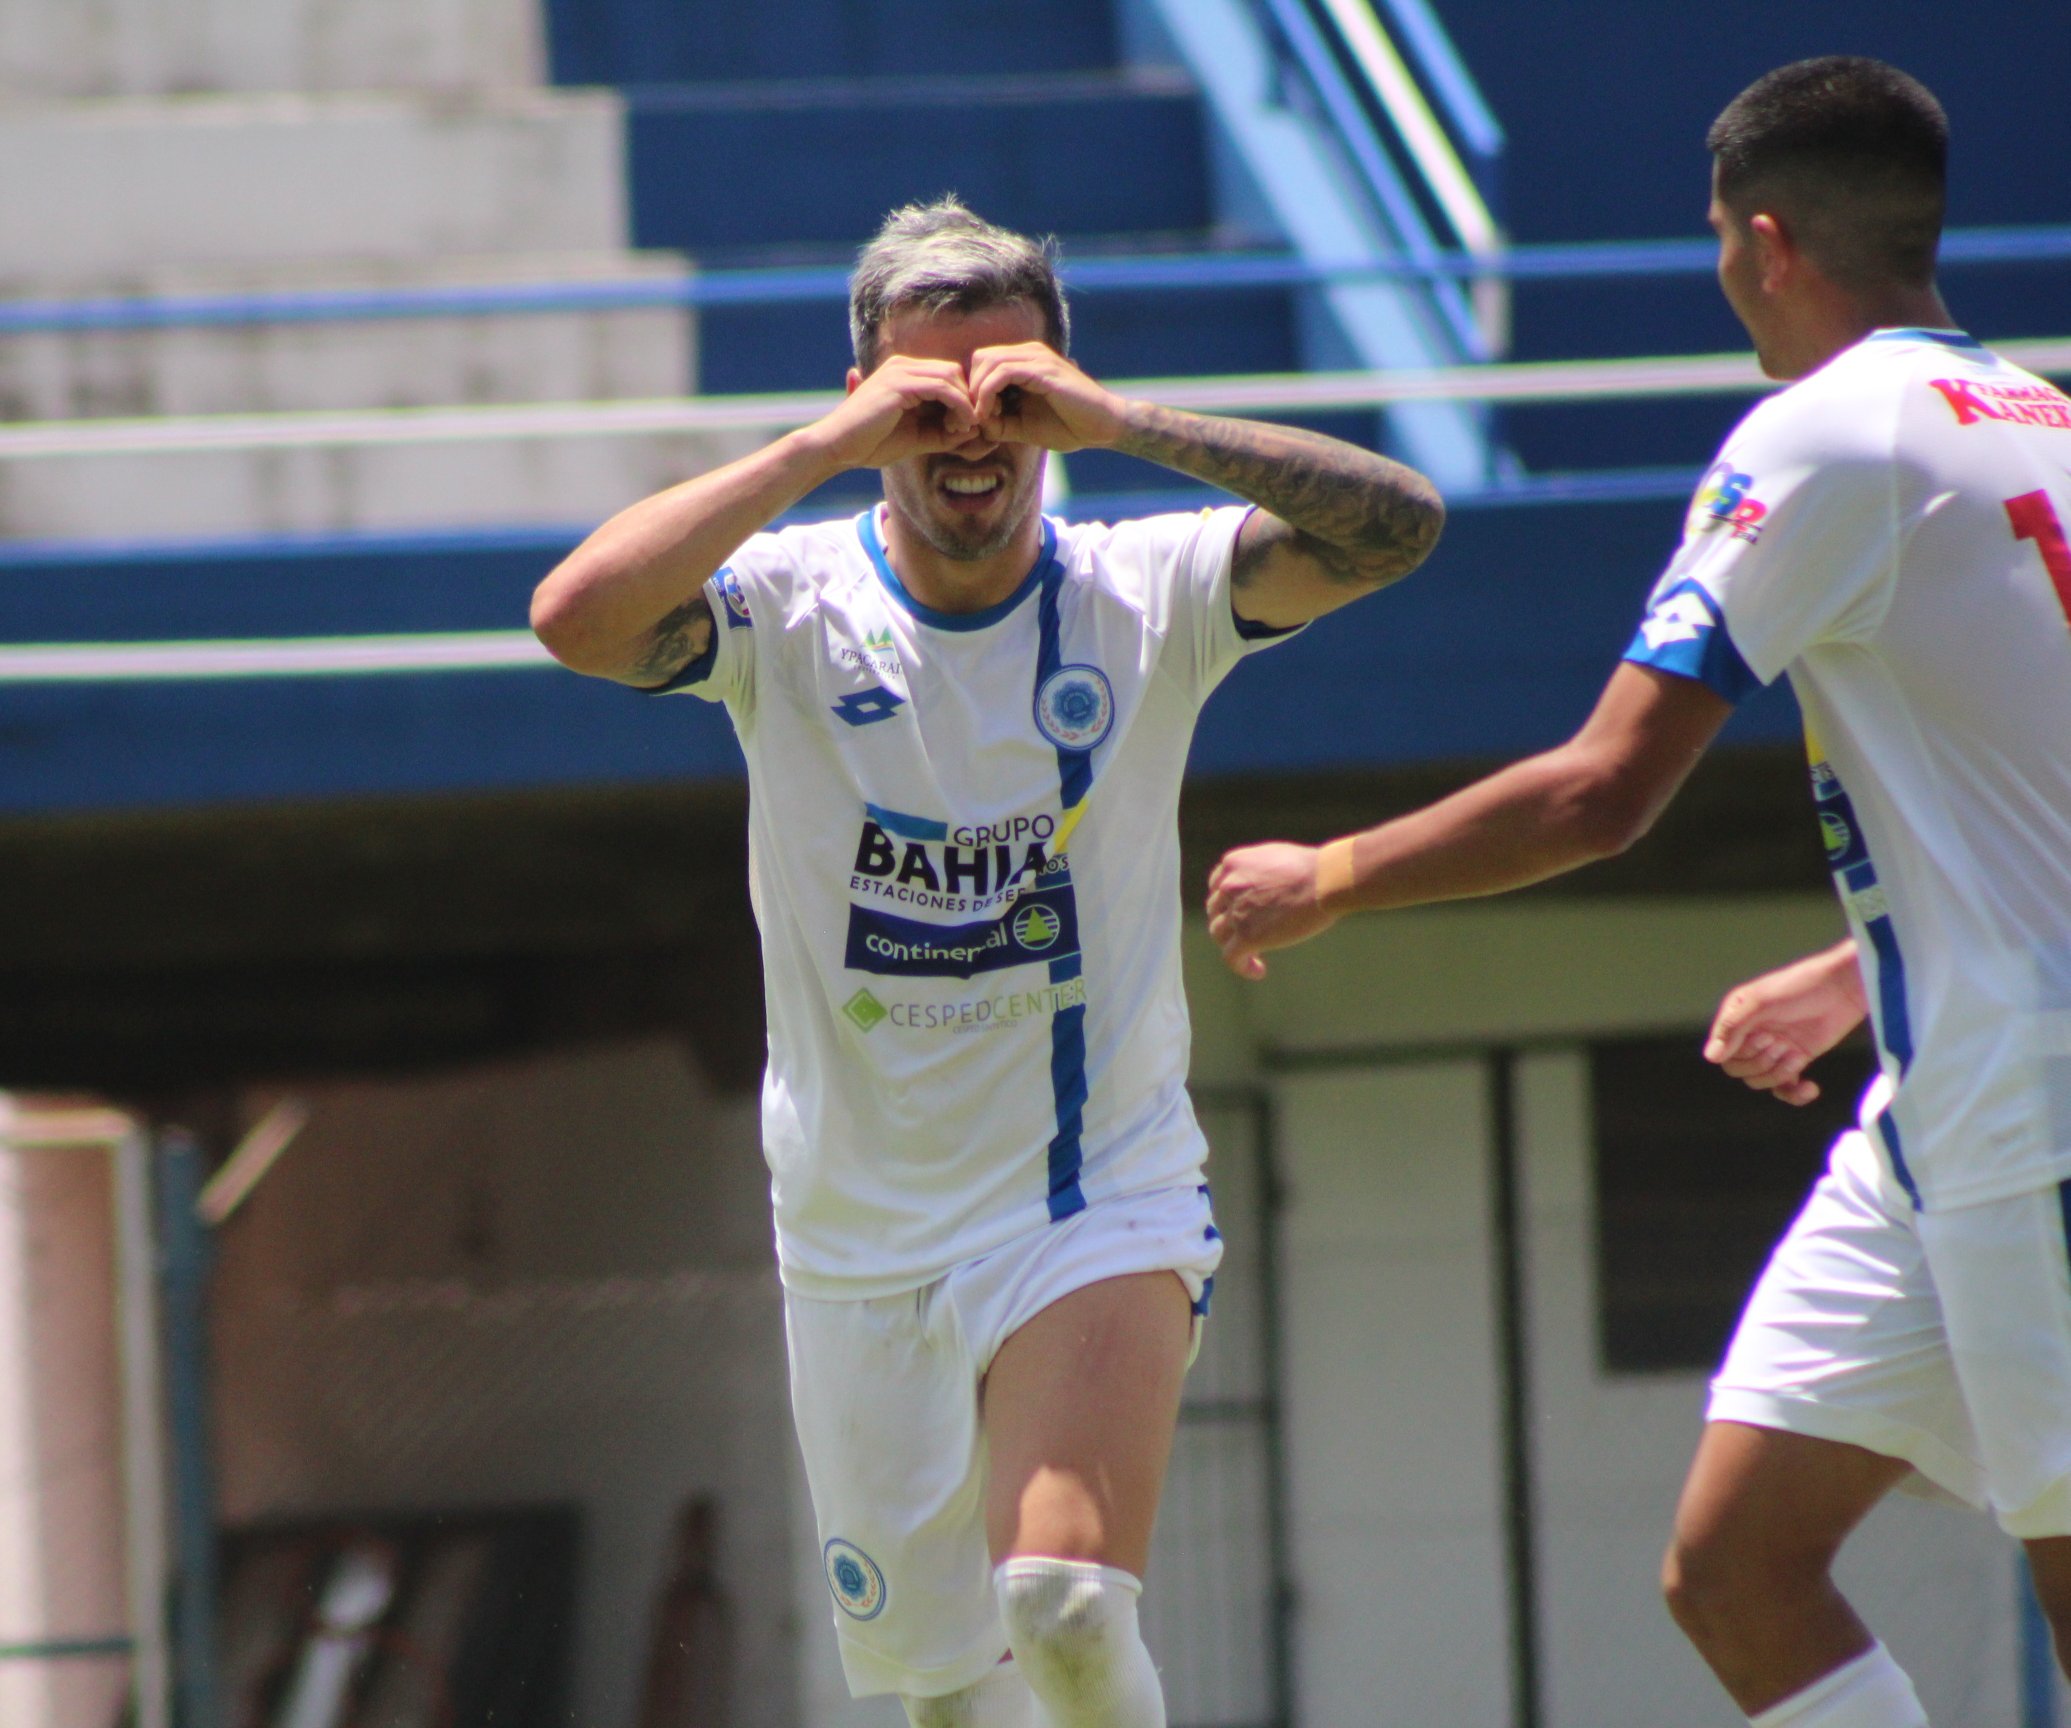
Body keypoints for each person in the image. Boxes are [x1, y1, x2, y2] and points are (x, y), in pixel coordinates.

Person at [1206, 55, 2071, 1728]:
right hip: (1938, 1093)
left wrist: (1335, 873)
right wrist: (1857, 962)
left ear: (1764, 243)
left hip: (2034, 1107)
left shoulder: (1822, 436)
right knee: (1735, 1567)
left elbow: (1605, 792)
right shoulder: (2043, 421)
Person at [531, 196, 1443, 1728]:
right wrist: (818, 454)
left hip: (1091, 1197)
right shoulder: (789, 608)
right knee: (946, 1700)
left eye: (1009, 387)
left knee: (1067, 1609)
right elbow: (575, 620)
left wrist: (1122, 419)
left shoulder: (1148, 590)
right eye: (926, 395)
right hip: (856, 1237)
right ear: (868, 404)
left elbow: (1396, 526)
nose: (972, 428)